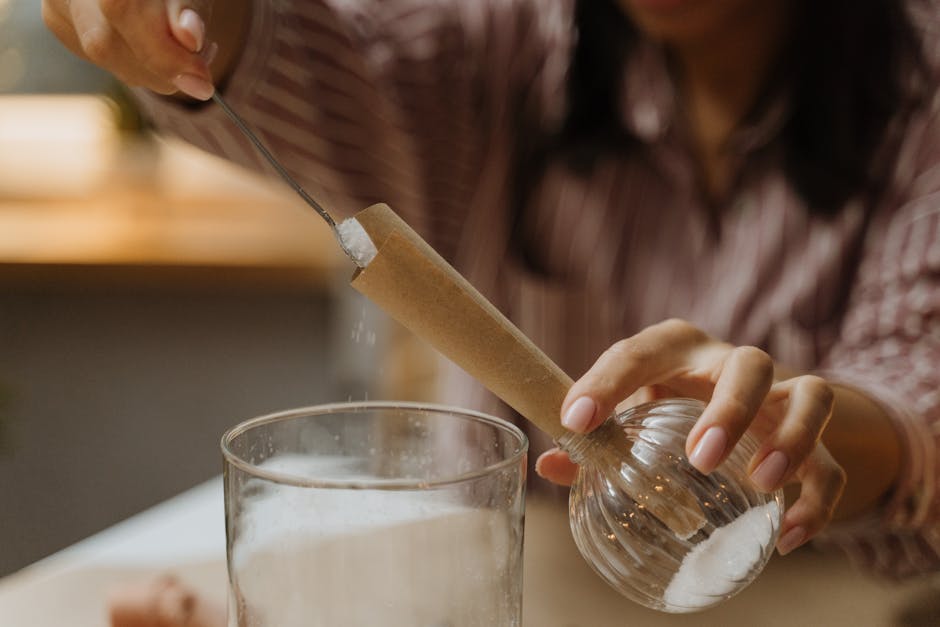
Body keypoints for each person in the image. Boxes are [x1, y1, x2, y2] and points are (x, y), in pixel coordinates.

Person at [43, 0, 940, 620]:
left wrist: (815, 438)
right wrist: (185, 24)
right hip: (495, 595)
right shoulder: (509, 41)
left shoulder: (921, 89)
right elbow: (297, 55)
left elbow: (917, 402)